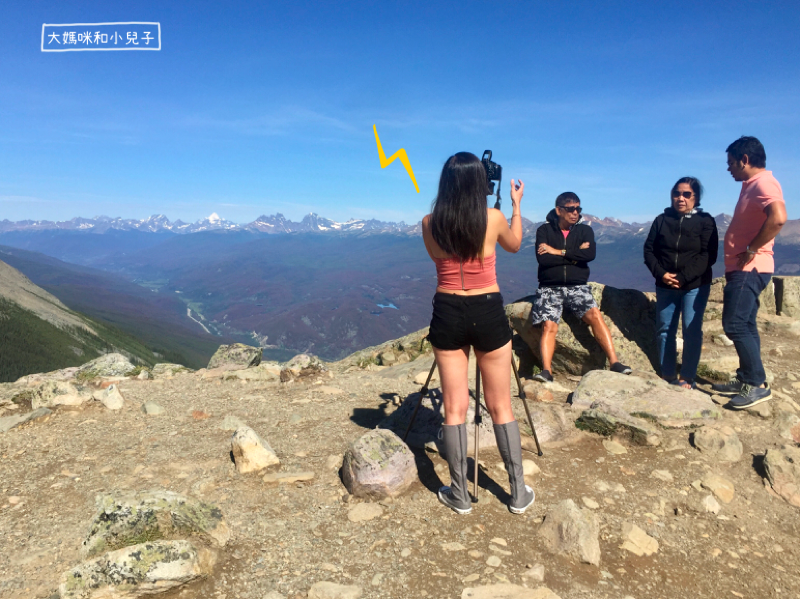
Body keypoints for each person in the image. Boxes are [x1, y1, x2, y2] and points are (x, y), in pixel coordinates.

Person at [421, 152, 534, 515]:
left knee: (454, 408)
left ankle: (459, 494)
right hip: (487, 309)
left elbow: (439, 260)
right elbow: (514, 245)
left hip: (447, 309)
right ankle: (517, 493)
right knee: (501, 405)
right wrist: (516, 205)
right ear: (480, 184)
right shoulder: (493, 218)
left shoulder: (429, 223)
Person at [712, 136, 786, 409]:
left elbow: (778, 217)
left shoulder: (764, 183)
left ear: (744, 160)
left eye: (731, 163)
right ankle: (747, 378)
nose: (728, 168)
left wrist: (752, 248)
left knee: (734, 324)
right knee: (746, 323)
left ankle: (756, 385)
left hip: (750, 269)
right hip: (743, 269)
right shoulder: (751, 185)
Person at [530, 192, 631, 382]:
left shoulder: (585, 231)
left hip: (577, 285)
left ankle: (615, 362)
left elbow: (589, 255)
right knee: (549, 325)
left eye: (578, 208)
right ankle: (546, 371)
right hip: (550, 286)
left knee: (595, 315)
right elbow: (543, 259)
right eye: (570, 209)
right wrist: (575, 256)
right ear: (559, 210)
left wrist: (557, 251)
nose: (575, 213)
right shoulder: (544, 230)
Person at [643, 177, 718, 389]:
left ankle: (687, 376)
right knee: (665, 329)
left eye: (686, 194)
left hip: (695, 285)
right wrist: (661, 274)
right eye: (677, 193)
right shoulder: (661, 220)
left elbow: (708, 255)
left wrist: (682, 278)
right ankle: (668, 374)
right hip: (665, 284)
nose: (680, 198)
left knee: (691, 330)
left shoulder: (705, 221)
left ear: (696, 197)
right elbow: (649, 250)